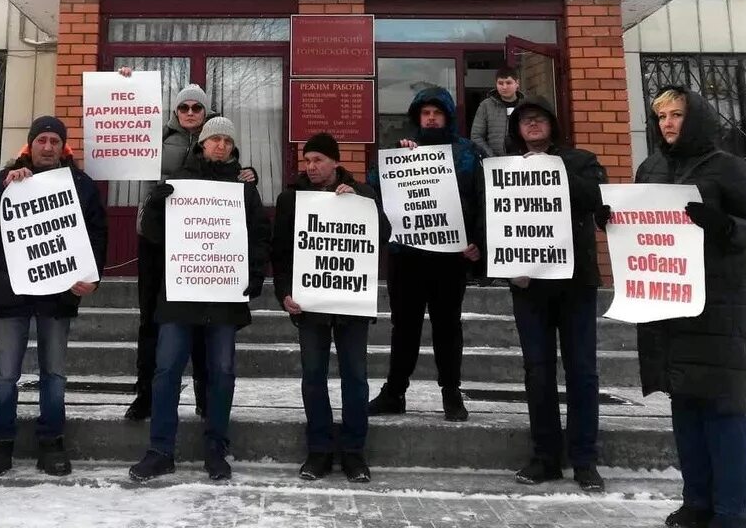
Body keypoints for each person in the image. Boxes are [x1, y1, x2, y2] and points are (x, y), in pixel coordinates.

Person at [628, 87, 746, 528]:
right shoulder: (650, 168)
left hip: (718, 304)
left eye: (677, 115)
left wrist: (726, 226)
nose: (668, 123)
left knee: (723, 409)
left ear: (698, 119)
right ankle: (697, 503)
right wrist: (614, 222)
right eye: (662, 116)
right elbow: (640, 224)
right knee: (685, 405)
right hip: (667, 301)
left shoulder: (727, 167)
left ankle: (730, 513)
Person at [128, 116, 271, 483]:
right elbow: (154, 235)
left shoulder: (244, 189)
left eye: (227, 140)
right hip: (179, 293)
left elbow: (258, 236)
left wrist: (254, 275)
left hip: (224, 295)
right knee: (166, 372)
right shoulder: (179, 184)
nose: (220, 145)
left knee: (221, 373)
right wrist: (158, 205)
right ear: (201, 144)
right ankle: (160, 450)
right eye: (214, 139)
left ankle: (216, 449)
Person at [0, 115, 108, 478]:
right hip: (12, 293)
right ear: (30, 145)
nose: (47, 147)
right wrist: (4, 187)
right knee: (5, 375)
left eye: (53, 141)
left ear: (63, 147)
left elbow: (96, 234)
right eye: (41, 140)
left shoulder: (79, 184)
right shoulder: (9, 179)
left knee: (54, 374)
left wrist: (91, 278)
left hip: (58, 294)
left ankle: (52, 444)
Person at [125, 80, 258, 421]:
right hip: (159, 238)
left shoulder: (218, 139)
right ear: (175, 111)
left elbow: (234, 174)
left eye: (196, 107)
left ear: (205, 112)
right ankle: (146, 393)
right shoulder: (157, 136)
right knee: (150, 319)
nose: (189, 113)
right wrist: (125, 80)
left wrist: (249, 175)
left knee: (202, 322)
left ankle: (203, 394)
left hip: (201, 245)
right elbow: (124, 124)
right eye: (183, 107)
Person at [497, 97, 608, 491]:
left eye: (539, 119)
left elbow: (598, 202)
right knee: (538, 372)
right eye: (525, 121)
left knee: (582, 372)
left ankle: (584, 459)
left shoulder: (579, 160)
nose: (532, 125)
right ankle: (545, 456)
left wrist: (553, 170)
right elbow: (496, 223)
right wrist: (508, 267)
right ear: (516, 130)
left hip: (576, 284)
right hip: (529, 285)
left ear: (552, 125)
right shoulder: (505, 170)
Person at [271, 133, 383, 484]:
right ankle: (318, 450)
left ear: (336, 162)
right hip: (311, 304)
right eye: (307, 160)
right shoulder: (291, 198)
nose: (312, 166)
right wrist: (284, 293)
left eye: (318, 159)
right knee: (314, 378)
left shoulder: (362, 194)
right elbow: (281, 251)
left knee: (355, 378)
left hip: (350, 303)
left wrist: (361, 203)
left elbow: (383, 234)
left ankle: (353, 453)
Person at [368, 86, 482, 422]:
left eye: (437, 113)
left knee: (448, 327)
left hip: (449, 256)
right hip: (408, 254)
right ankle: (395, 391)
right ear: (417, 117)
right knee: (404, 326)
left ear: (447, 116)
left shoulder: (466, 153)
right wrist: (402, 159)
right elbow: (375, 185)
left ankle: (451, 393)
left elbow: (478, 200)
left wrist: (477, 241)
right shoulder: (401, 148)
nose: (430, 118)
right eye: (425, 113)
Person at [469, 66, 523, 159]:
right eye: (500, 83)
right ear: (496, 84)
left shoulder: (527, 104)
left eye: (508, 83)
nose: (504, 87)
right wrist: (492, 157)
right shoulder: (486, 106)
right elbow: (476, 136)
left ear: (517, 83)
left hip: (525, 162)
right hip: (495, 163)